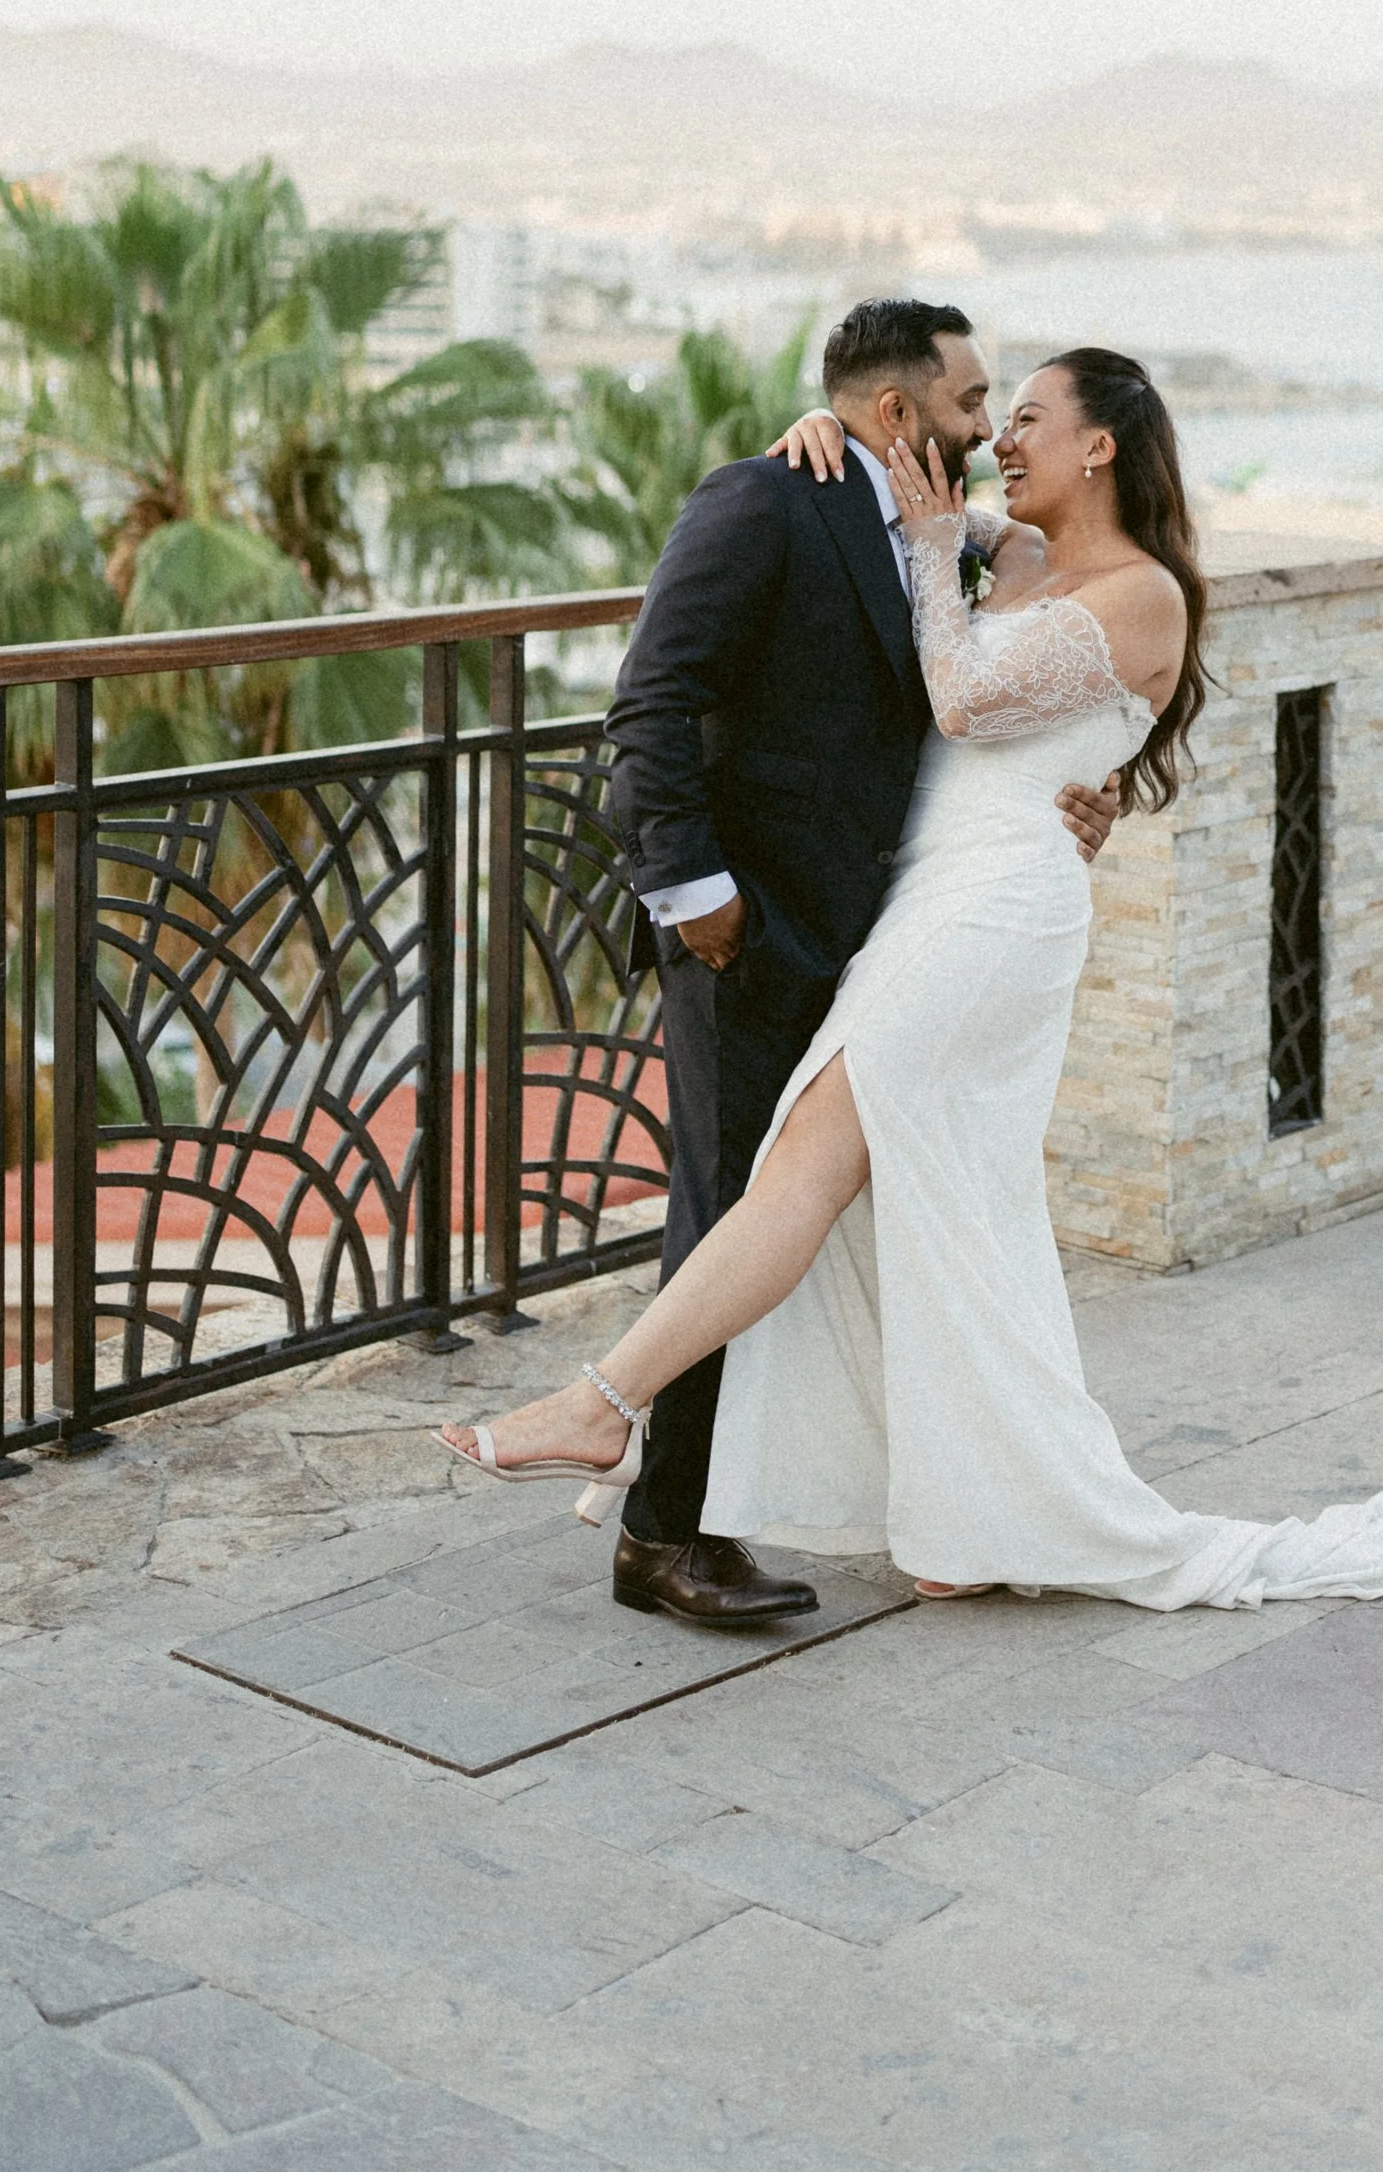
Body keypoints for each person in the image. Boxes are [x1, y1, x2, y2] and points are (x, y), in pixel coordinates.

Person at [443, 348, 1383, 1606]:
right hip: (929, 903)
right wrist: (824, 430)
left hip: (992, 916)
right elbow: (913, 502)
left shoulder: (1146, 594)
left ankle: (602, 1405)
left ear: (1100, 444)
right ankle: (967, 1503)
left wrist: (953, 553)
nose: (1001, 434)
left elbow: (957, 697)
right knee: (936, 1212)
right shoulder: (1021, 556)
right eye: (987, 412)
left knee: (804, 1168)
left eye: (1030, 416)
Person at [471, 298, 1120, 1627]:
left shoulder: (942, 528)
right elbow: (648, 698)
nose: (986, 427)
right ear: (895, 412)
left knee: (810, 1219)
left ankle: (886, 1491)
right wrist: (695, 896)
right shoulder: (768, 501)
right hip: (754, 931)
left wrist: (1088, 788)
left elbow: (1053, 635)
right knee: (730, 1209)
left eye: (1003, 407)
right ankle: (665, 1536)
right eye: (963, 403)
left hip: (892, 940)